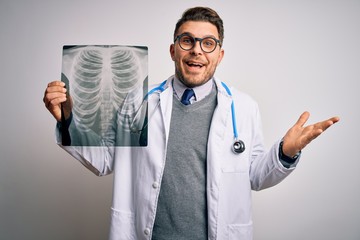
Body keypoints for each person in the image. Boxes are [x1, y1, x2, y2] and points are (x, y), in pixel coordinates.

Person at [43, 6, 339, 240]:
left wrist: (286, 152)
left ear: (219, 56)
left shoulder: (244, 107)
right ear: (174, 50)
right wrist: (67, 118)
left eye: (208, 43)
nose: (197, 50)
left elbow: (256, 176)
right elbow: (106, 159)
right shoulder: (138, 101)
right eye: (188, 41)